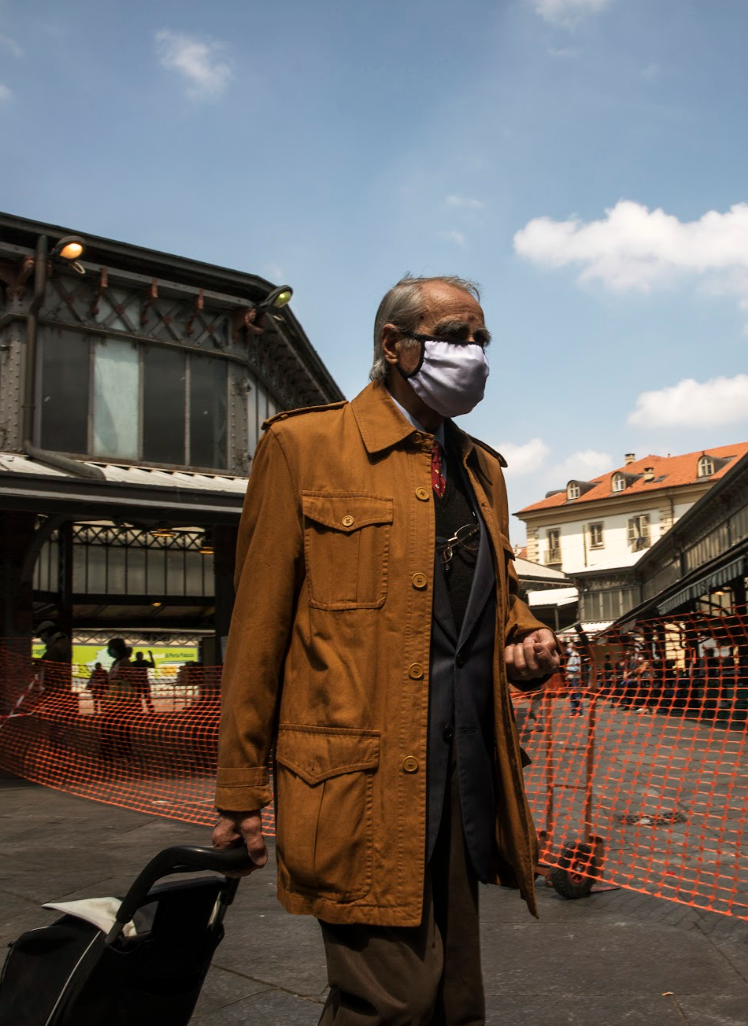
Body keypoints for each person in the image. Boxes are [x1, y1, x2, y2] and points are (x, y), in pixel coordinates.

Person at [211, 274, 561, 1025]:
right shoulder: (303, 446)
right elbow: (259, 629)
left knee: (455, 1003)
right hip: (357, 787)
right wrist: (238, 789)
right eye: (455, 337)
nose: (474, 354)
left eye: (482, 340)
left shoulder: (483, 473)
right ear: (394, 346)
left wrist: (524, 637)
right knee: (388, 1004)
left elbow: (483, 602)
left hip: (465, 778)